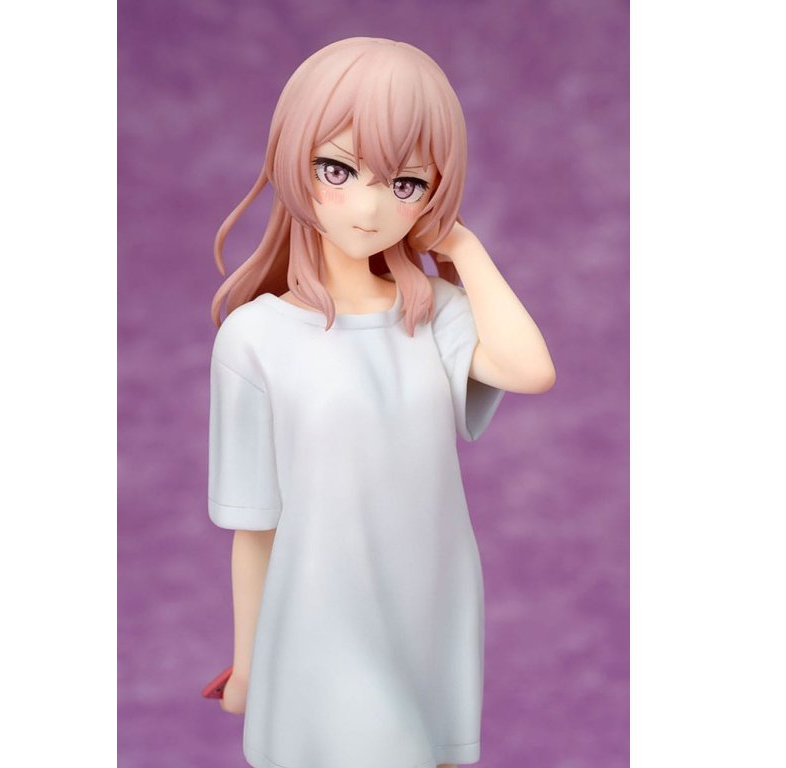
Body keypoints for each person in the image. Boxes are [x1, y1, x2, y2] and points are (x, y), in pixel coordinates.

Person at [207, 37, 555, 768]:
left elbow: (529, 370)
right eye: (336, 169)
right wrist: (248, 665)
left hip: (432, 604)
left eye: (405, 182)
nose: (369, 207)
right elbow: (255, 526)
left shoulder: (435, 315)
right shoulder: (256, 338)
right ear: (293, 160)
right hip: (323, 614)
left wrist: (464, 247)